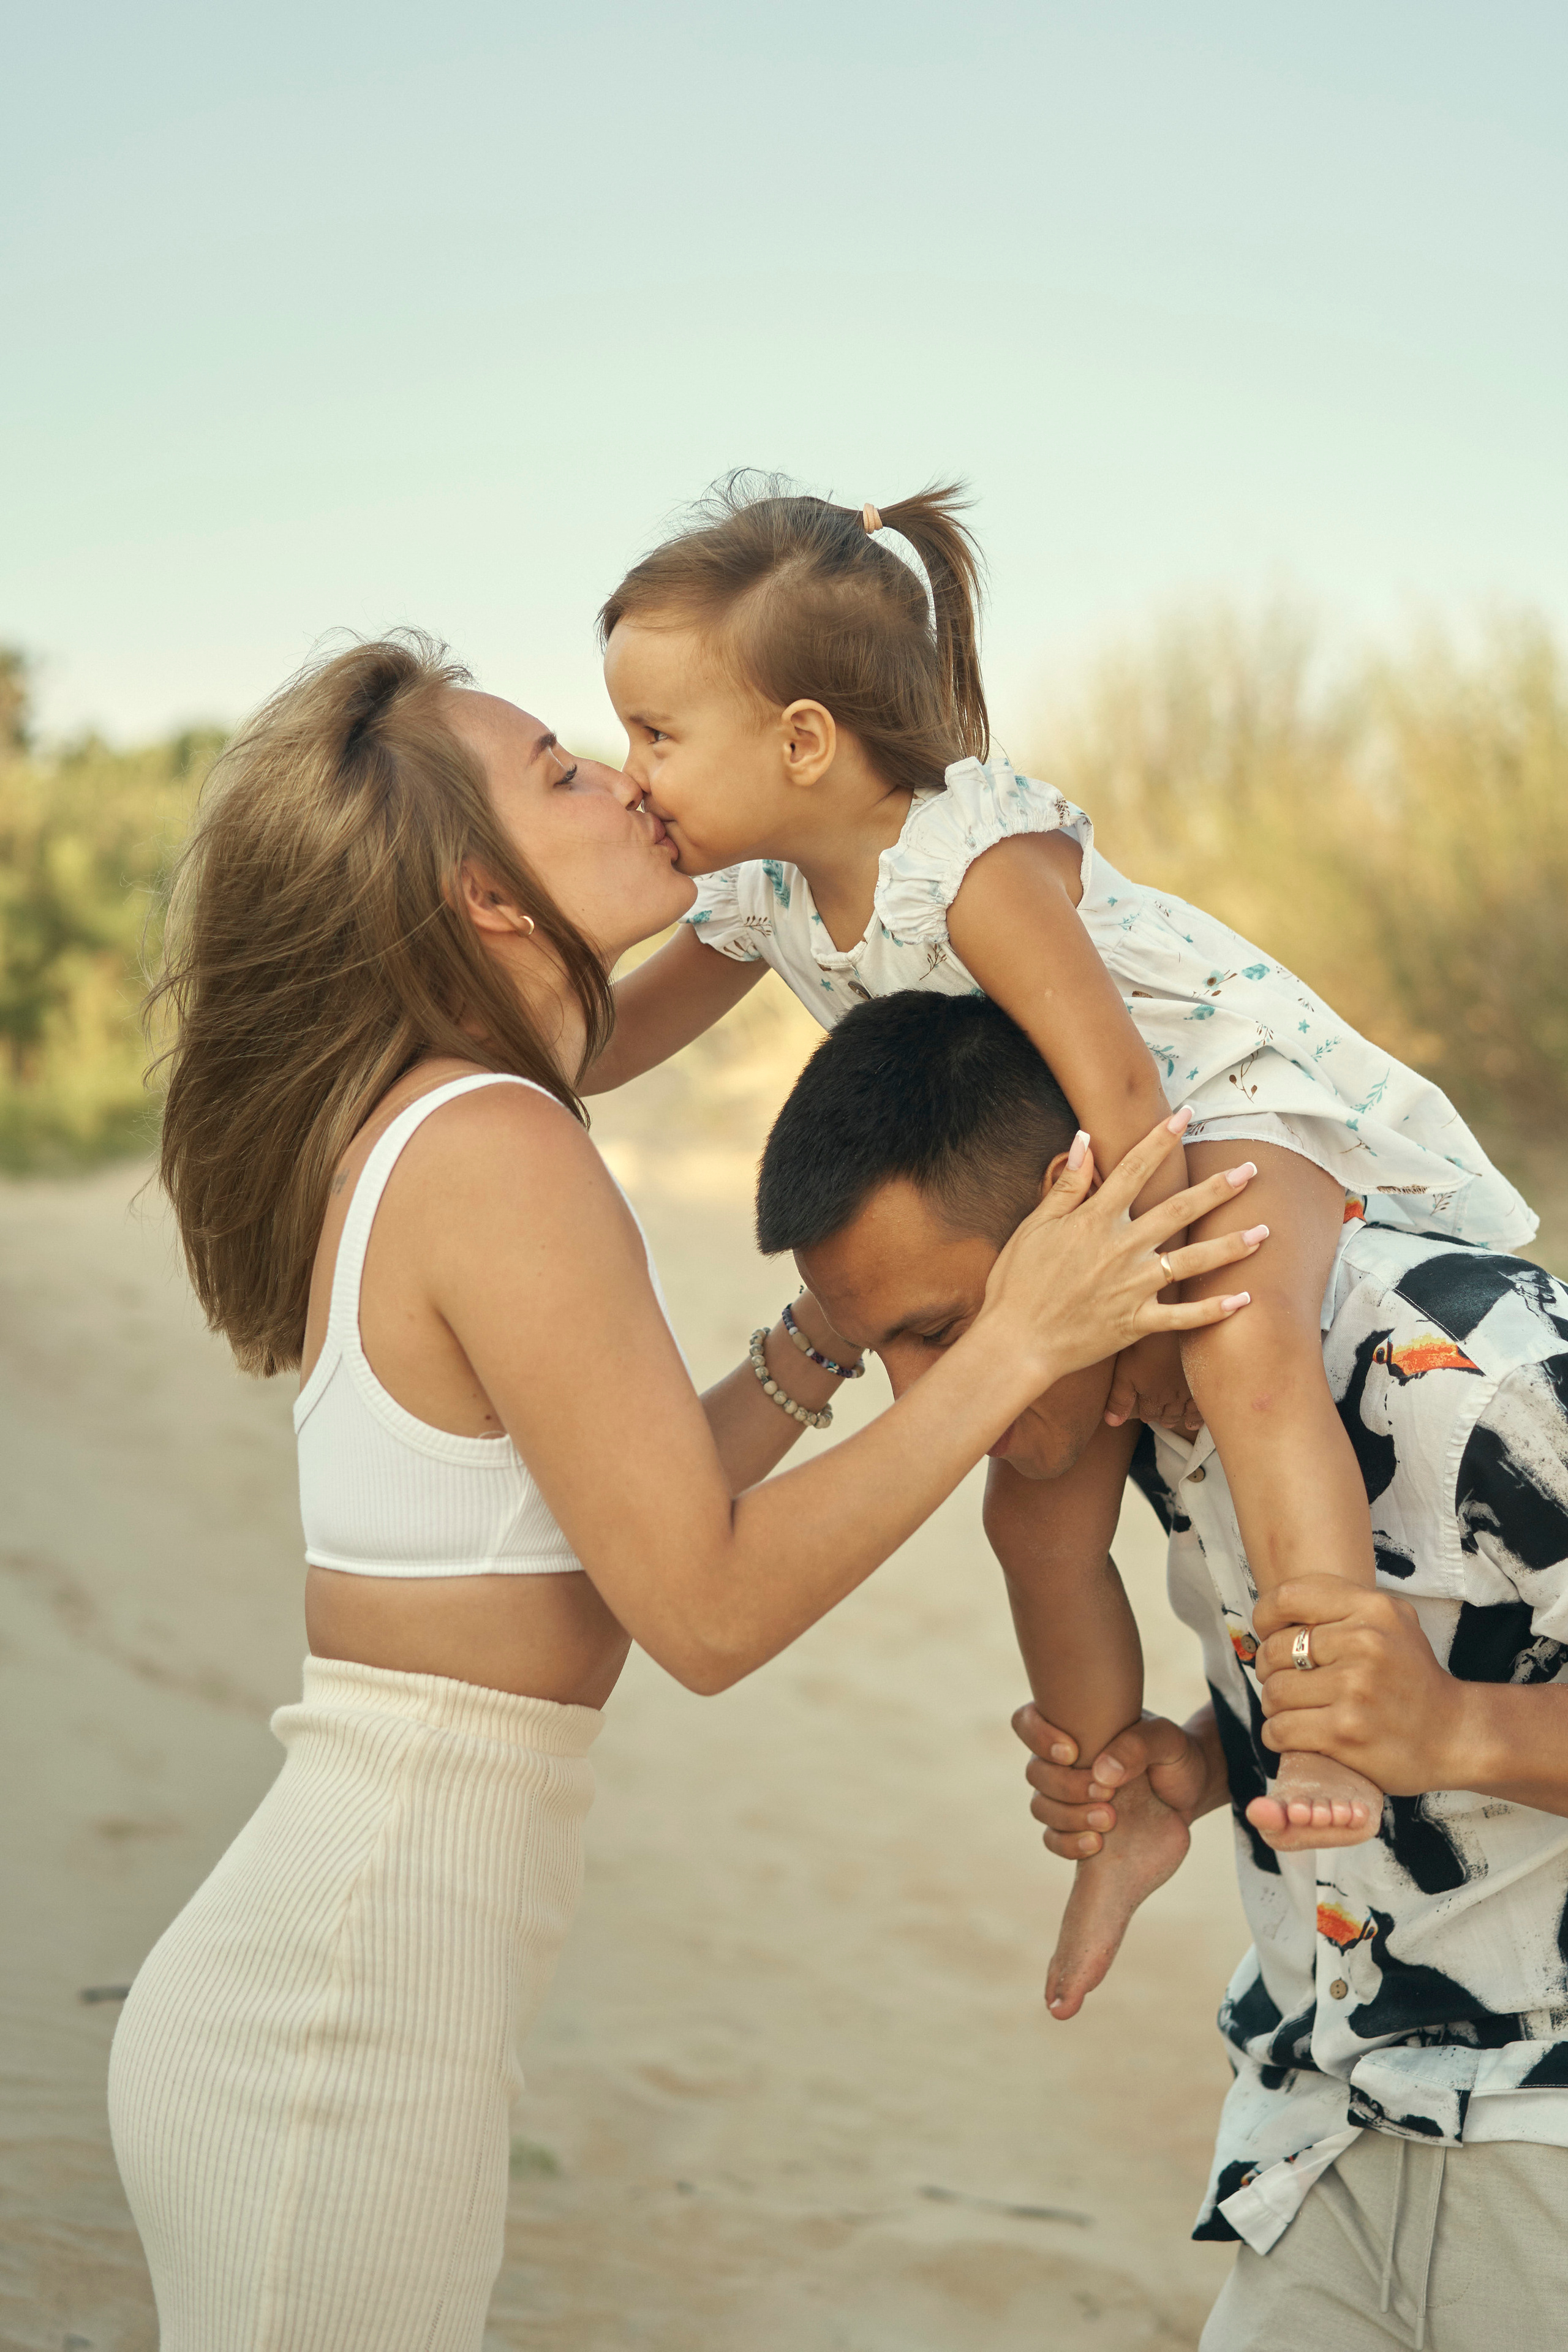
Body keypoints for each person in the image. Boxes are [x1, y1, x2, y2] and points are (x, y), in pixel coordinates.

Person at [107, 635, 1258, 2352]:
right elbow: (702, 1612)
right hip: (338, 2023)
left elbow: (597, 1524)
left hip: (349, 1977)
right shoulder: (494, 1145)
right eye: (560, 774)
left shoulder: (440, 1125)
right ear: (483, 900)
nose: (622, 778)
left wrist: (818, 1345)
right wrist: (1019, 1345)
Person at [585, 474, 1537, 1940]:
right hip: (1072, 1172)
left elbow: (1125, 1089)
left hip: (1214, 1111)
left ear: (800, 740)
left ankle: (1331, 1703)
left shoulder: (971, 864)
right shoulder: (762, 896)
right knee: (1030, 1519)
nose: (630, 771)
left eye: (655, 734)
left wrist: (1139, 1307)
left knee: (1244, 1358)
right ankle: (1112, 1799)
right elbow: (596, 1050)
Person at [758, 987, 1568, 2351]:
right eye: (880, 1346)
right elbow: (1426, 1649)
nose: (922, 1399)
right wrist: (1205, 1759)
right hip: (1323, 2133)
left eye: (946, 1331)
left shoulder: (1469, 1375)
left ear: (1086, 1222)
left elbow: (1447, 1704)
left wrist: (1461, 1735)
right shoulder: (1137, 1406)